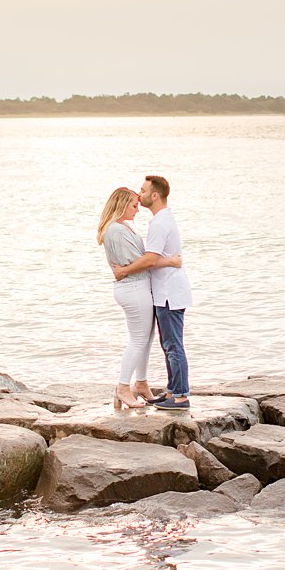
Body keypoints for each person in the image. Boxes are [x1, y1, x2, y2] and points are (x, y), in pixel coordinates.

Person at [97, 187, 182, 411]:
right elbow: (143, 262)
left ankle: (141, 383)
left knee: (146, 338)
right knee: (138, 340)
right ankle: (123, 387)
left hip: (138, 287)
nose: (137, 209)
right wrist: (172, 261)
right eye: (134, 205)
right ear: (122, 204)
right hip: (133, 289)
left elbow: (142, 261)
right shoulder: (115, 230)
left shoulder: (123, 226)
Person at [112, 175, 192, 411]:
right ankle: (172, 390)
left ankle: (180, 396)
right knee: (168, 344)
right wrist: (171, 261)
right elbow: (156, 258)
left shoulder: (158, 223)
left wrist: (124, 270)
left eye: (143, 190)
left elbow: (150, 259)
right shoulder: (163, 219)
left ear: (155, 195)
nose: (140, 194)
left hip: (169, 293)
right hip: (165, 292)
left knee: (173, 345)